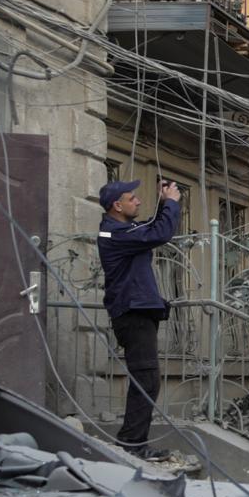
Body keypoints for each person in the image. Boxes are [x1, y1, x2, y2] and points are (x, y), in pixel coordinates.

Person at [97, 177, 181, 459]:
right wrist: (171, 204)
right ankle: (132, 445)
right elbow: (158, 234)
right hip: (132, 313)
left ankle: (132, 442)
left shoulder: (123, 230)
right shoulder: (115, 234)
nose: (138, 201)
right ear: (116, 205)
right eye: (132, 198)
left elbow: (151, 228)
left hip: (138, 311)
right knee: (146, 380)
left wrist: (163, 203)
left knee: (146, 379)